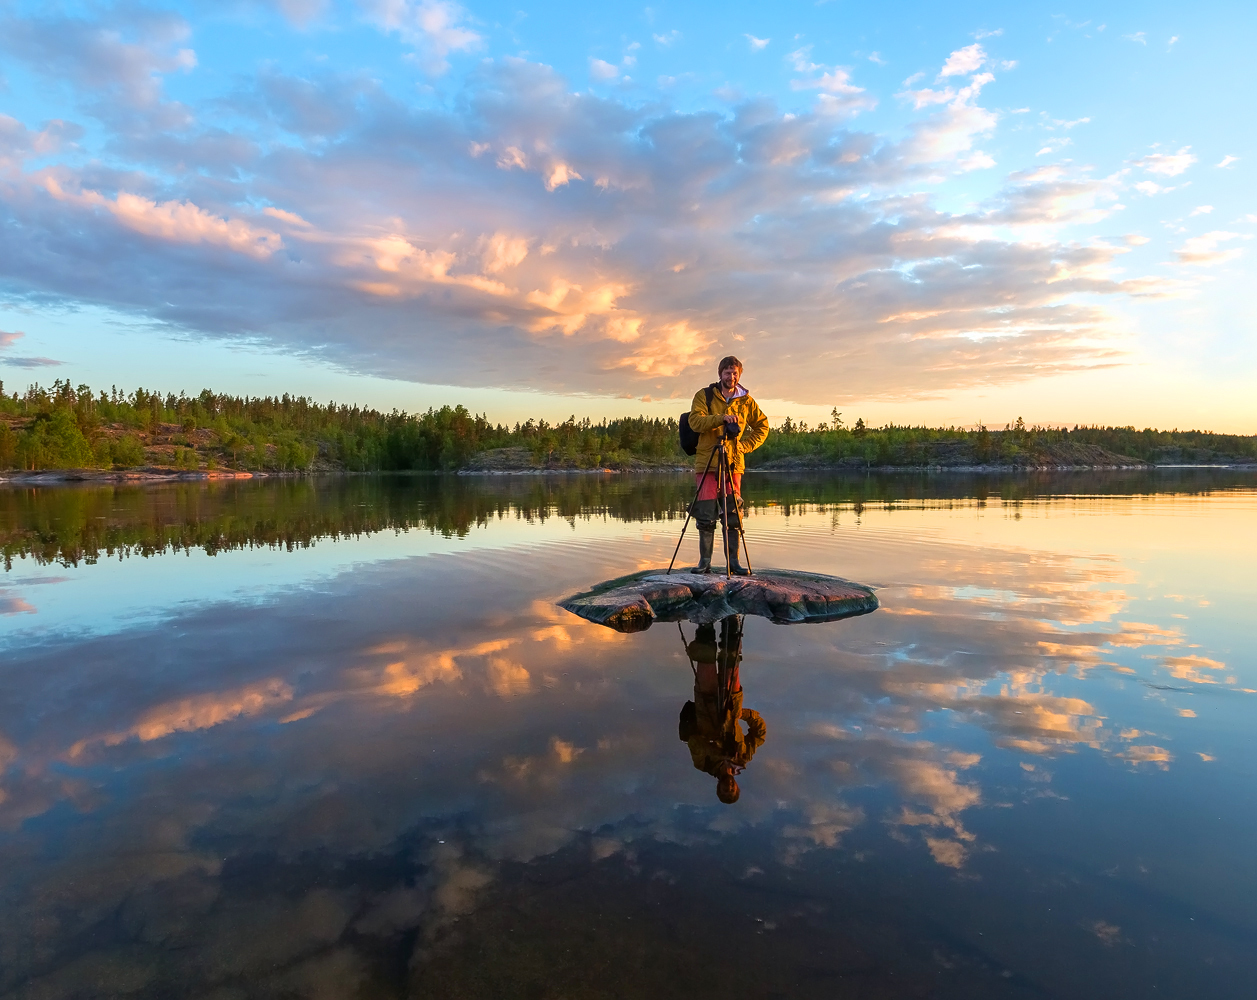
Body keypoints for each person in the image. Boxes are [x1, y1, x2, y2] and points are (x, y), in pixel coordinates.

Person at [687, 356, 769, 574]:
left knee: (733, 514)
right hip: (708, 463)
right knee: (705, 514)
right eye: (727, 372)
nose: (731, 376)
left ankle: (733, 563)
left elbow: (763, 426)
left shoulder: (746, 401)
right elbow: (694, 422)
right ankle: (704, 563)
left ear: (739, 375)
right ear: (720, 374)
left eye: (734, 373)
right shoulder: (704, 396)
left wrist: (745, 446)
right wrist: (721, 418)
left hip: (733, 463)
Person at [678, 618, 767, 804]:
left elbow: (694, 741)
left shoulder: (703, 764)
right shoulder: (743, 758)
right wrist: (743, 714)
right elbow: (759, 734)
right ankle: (731, 620)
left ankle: (705, 621)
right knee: (732, 660)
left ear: (718, 789)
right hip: (732, 705)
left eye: (724, 792)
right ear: (737, 787)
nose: (728, 788)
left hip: (706, 706)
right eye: (732, 791)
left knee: (705, 659)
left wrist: (719, 753)